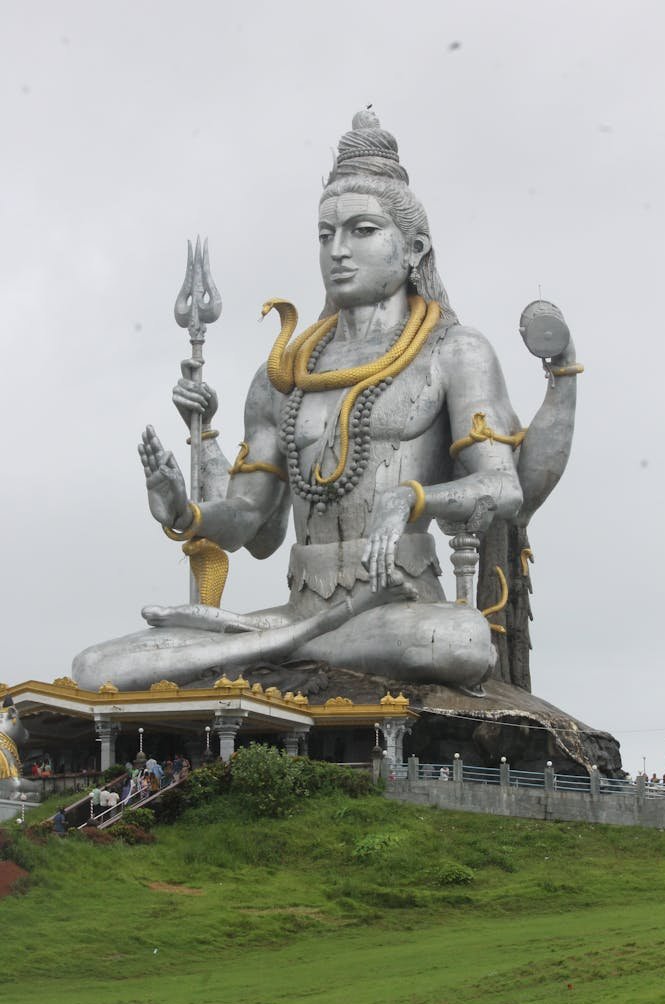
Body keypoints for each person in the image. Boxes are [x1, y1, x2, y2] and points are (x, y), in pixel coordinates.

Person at [72, 110, 580, 695]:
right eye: (325, 235)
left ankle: (264, 650)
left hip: (401, 603)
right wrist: (183, 512)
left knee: (460, 641)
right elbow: (250, 524)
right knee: (96, 667)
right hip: (298, 605)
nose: (337, 251)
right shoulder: (283, 375)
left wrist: (412, 499)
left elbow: (503, 488)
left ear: (413, 248)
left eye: (362, 231)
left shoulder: (454, 352)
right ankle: (289, 642)